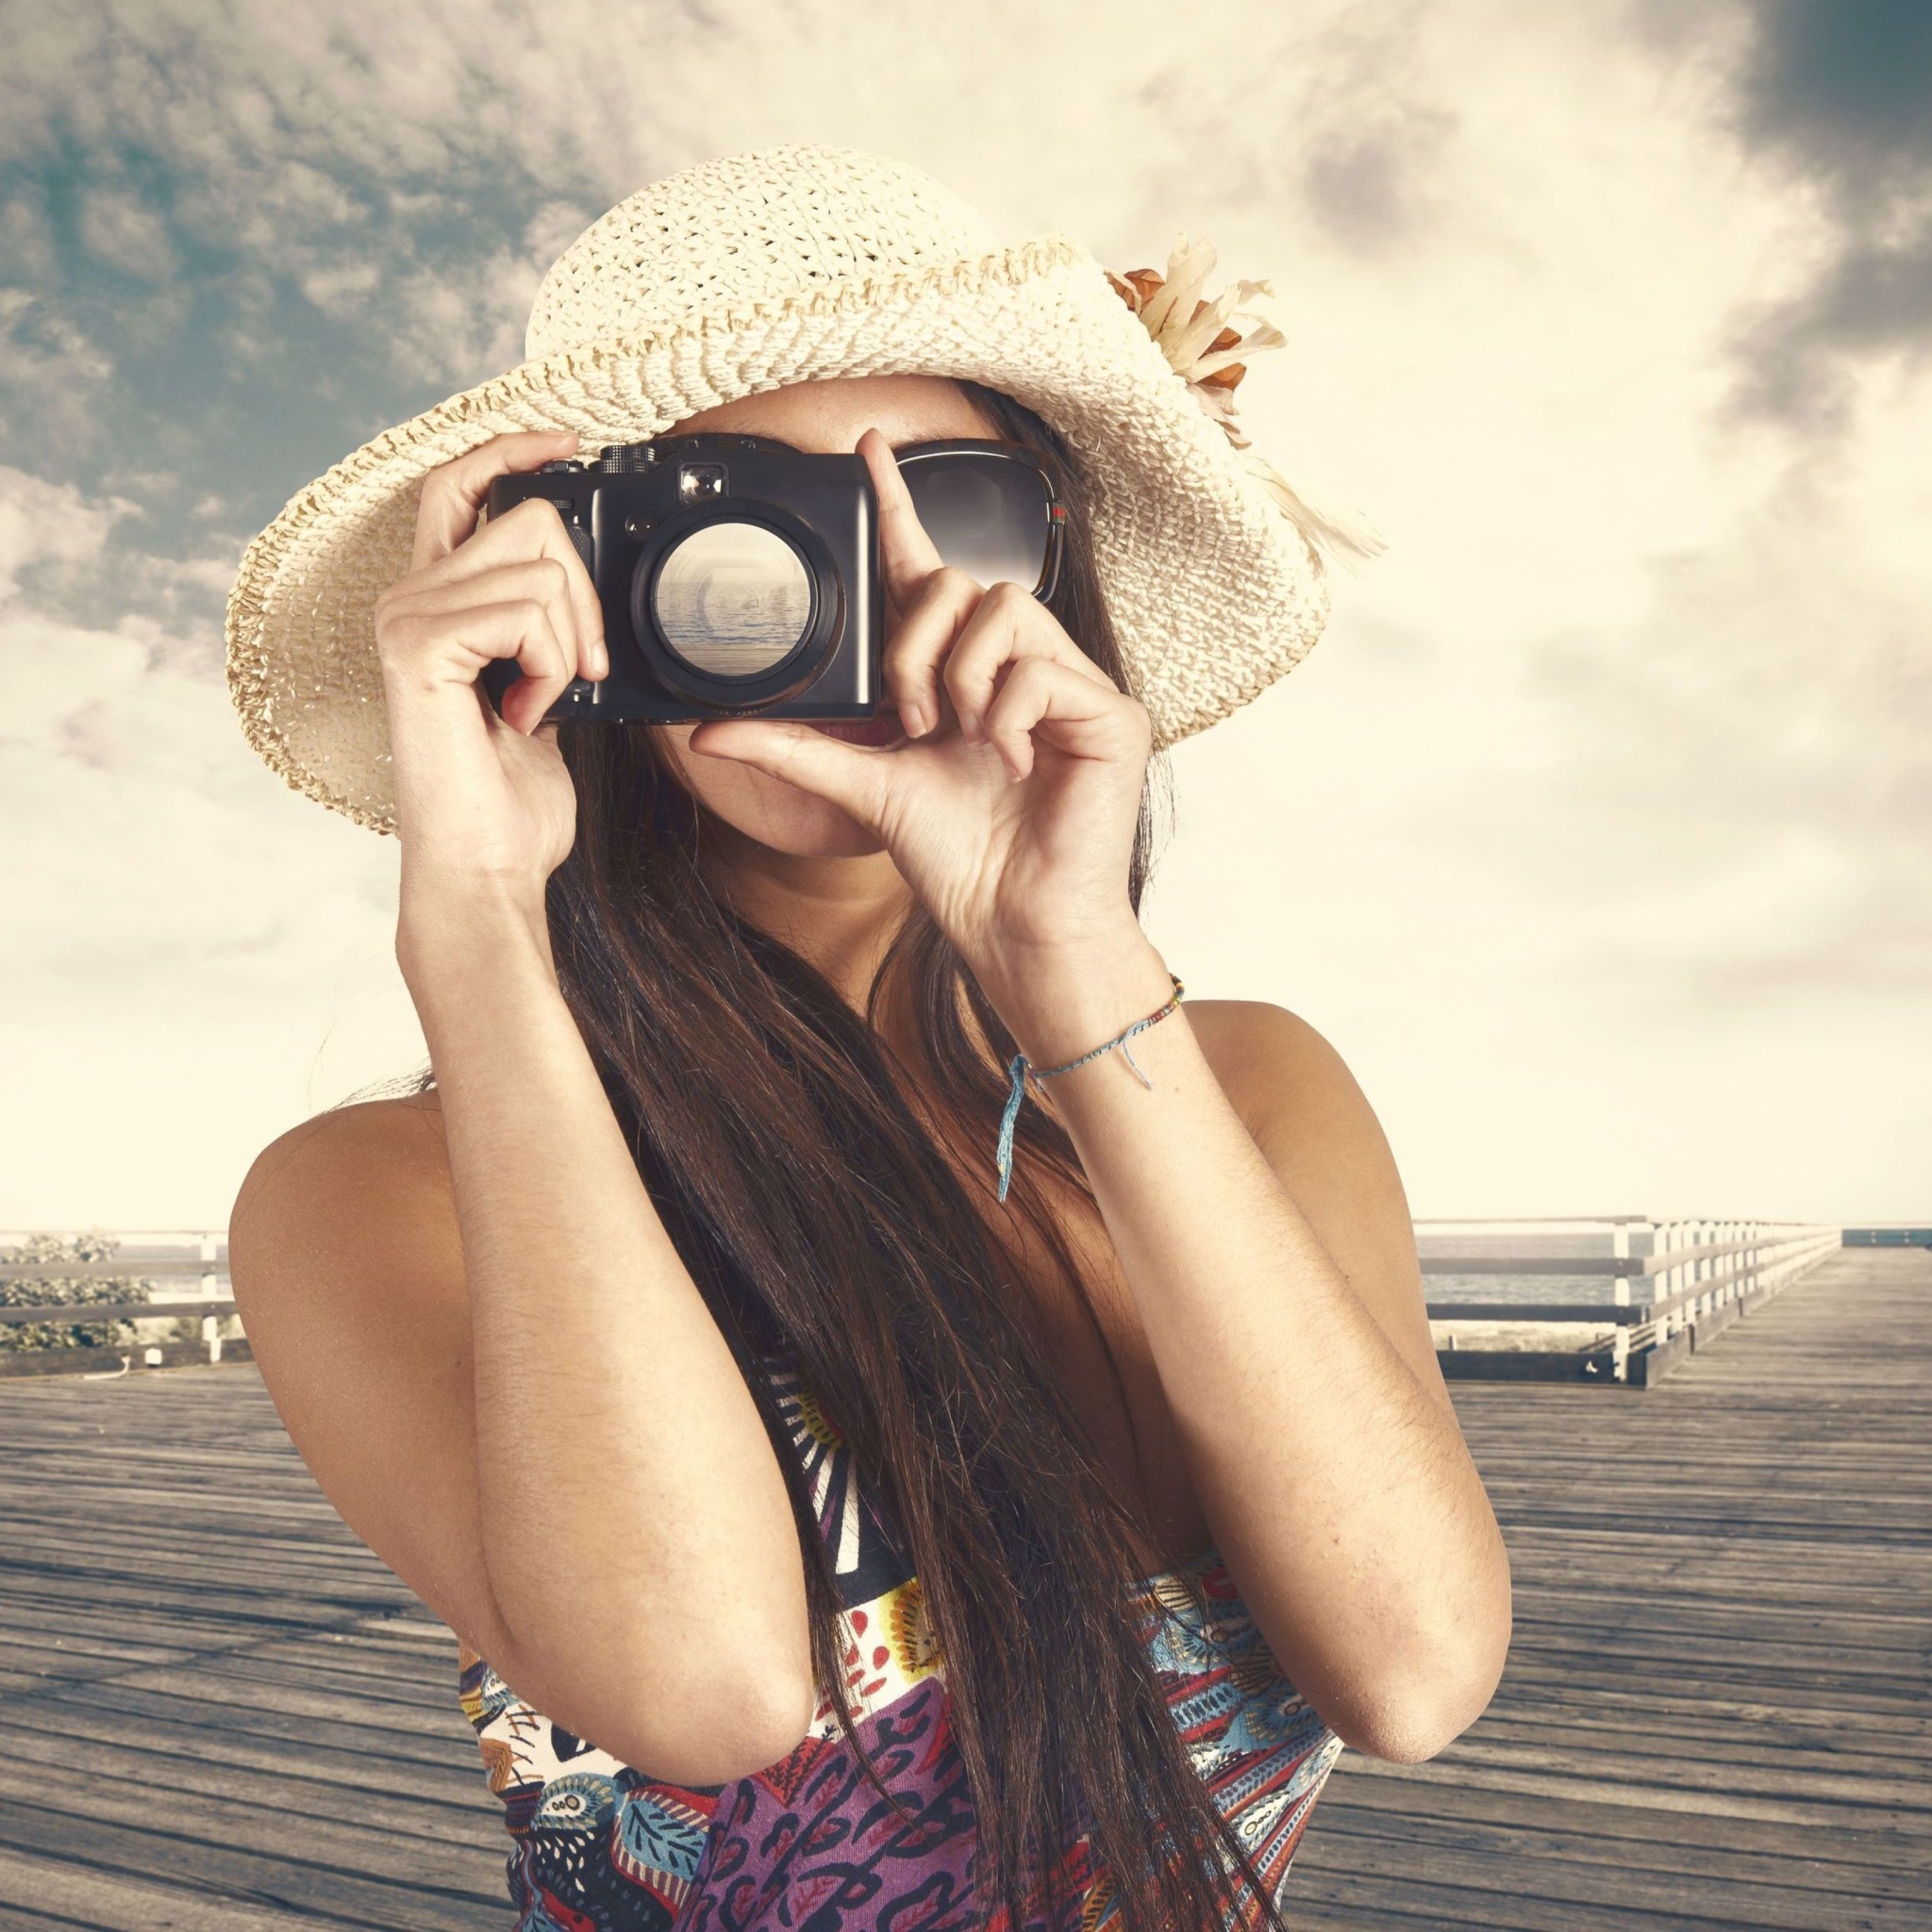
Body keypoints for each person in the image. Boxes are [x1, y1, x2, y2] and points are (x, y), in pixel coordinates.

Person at [224, 146, 1510, 1932]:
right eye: (739, 530)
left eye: (954, 515)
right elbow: (705, 1691)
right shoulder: (378, 1193)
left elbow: (1417, 1666)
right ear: (578, 594)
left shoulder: (1252, 1087)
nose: (846, 603)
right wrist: (479, 920)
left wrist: (1065, 957)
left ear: (1051, 577)